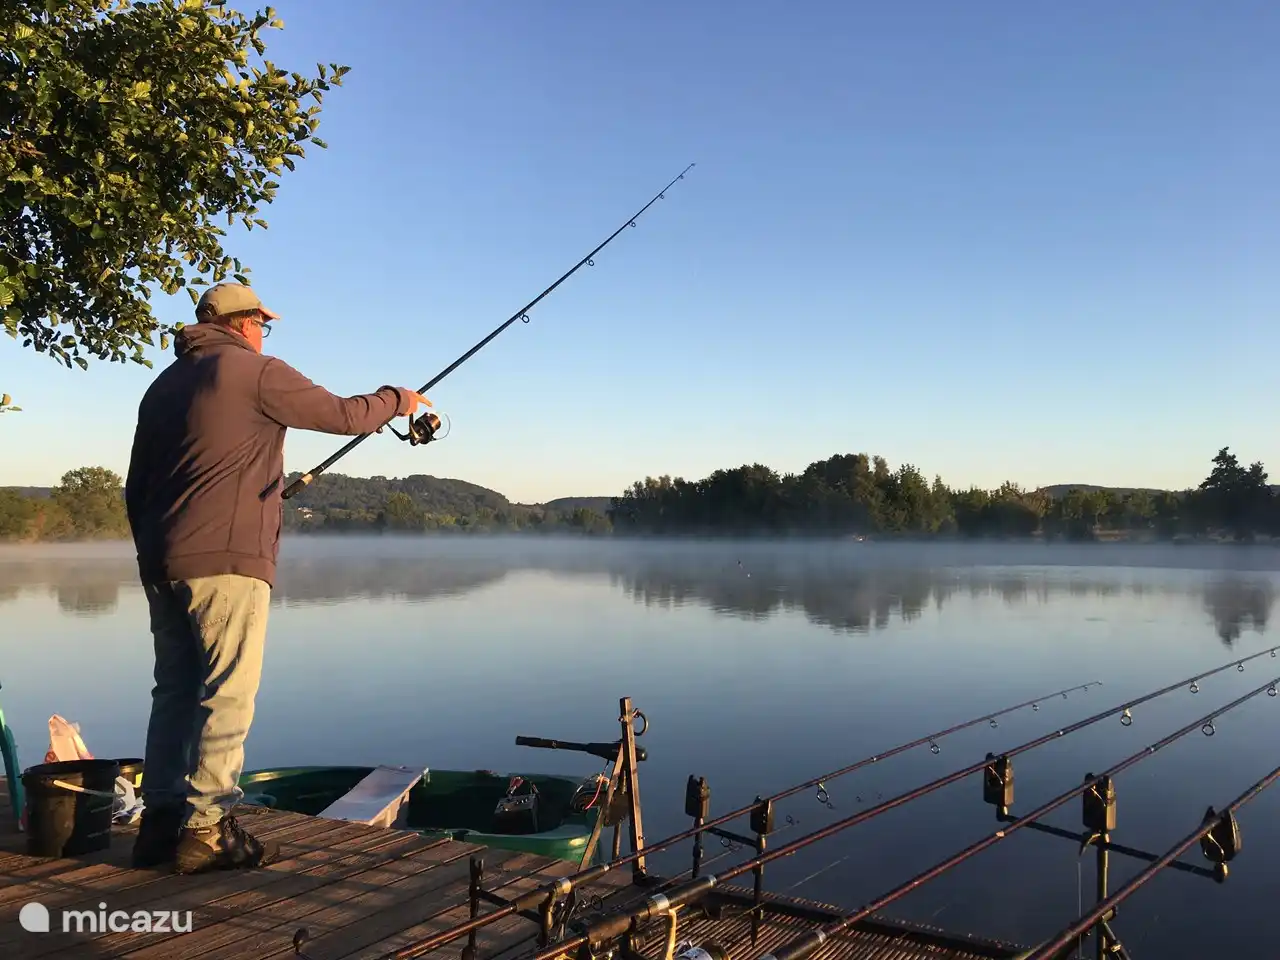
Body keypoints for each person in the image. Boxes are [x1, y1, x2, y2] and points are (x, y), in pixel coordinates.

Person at [124, 281, 428, 874]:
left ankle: (159, 824)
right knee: (226, 691)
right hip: (228, 561)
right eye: (263, 321)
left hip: (163, 563)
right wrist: (398, 399)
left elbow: (134, 486)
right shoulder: (254, 370)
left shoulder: (160, 388)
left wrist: (151, 552)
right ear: (242, 323)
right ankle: (208, 826)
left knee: (176, 691)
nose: (265, 331)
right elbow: (345, 415)